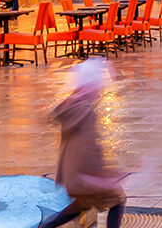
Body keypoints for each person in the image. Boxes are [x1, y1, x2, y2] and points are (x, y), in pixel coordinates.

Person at [43, 58, 128, 228]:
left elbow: (69, 147)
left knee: (83, 203)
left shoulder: (71, 106)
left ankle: (45, 226)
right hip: (83, 178)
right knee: (117, 198)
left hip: (71, 176)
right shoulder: (85, 112)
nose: (100, 91)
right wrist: (100, 176)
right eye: (97, 86)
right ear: (89, 86)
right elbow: (89, 149)